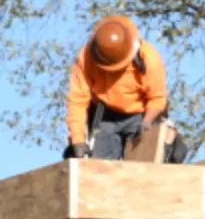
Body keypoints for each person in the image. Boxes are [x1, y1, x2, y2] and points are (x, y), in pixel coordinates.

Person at [65, 15, 169, 161]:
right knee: (99, 170)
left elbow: (157, 97)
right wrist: (77, 140)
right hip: (104, 115)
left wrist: (147, 121)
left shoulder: (149, 58)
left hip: (138, 116)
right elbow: (77, 99)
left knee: (142, 169)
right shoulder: (85, 57)